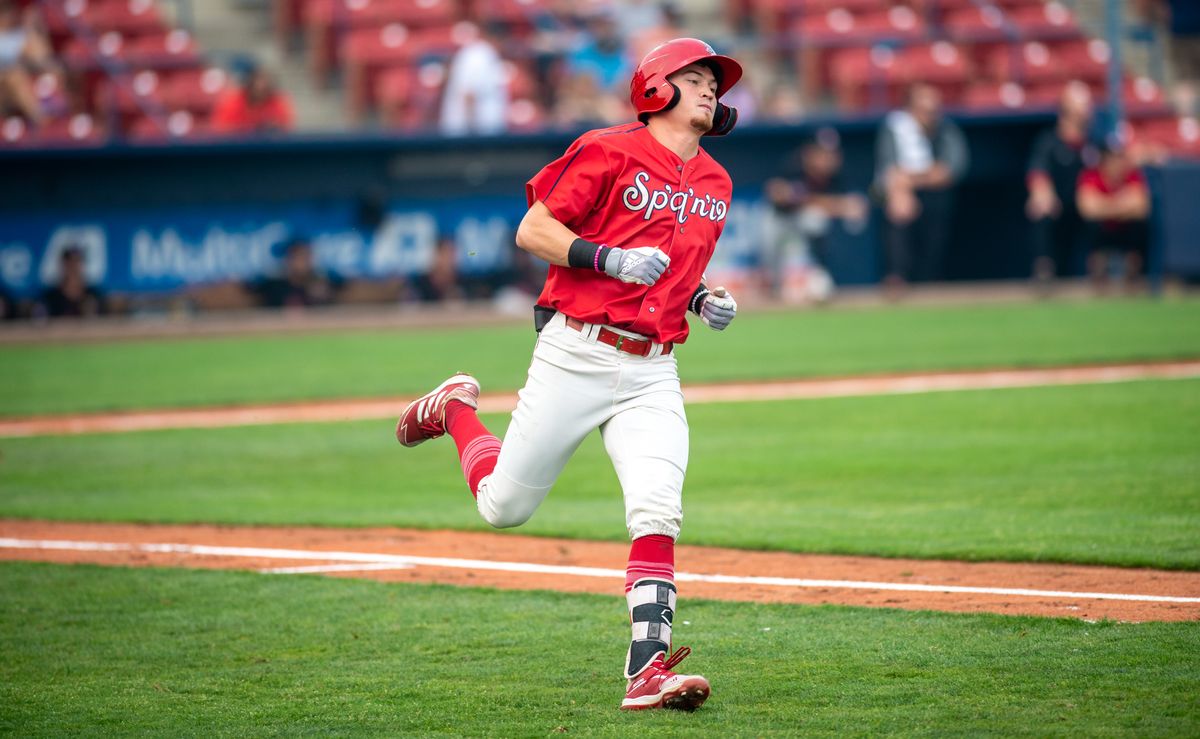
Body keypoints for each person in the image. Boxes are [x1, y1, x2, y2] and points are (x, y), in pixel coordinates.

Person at [394, 38, 742, 712]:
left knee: (658, 506)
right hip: (576, 351)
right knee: (504, 506)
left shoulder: (717, 182)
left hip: (652, 369)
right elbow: (533, 229)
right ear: (656, 88)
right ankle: (455, 406)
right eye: (696, 78)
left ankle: (647, 671)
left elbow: (678, 268)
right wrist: (607, 259)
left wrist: (703, 298)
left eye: (714, 84)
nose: (710, 90)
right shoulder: (607, 148)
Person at [875, 83, 969, 292]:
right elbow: (889, 171)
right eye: (923, 109)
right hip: (898, 193)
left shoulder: (947, 130)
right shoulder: (894, 128)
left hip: (934, 197)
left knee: (937, 214)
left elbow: (949, 171)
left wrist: (913, 179)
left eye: (933, 109)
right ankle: (896, 278)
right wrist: (902, 188)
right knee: (898, 205)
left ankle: (930, 282)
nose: (930, 114)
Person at [763, 127, 868, 302]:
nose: (827, 159)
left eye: (831, 154)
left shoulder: (837, 175)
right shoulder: (794, 165)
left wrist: (820, 202)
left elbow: (856, 204)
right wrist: (833, 204)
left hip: (803, 223)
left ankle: (818, 274)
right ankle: (773, 287)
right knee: (770, 238)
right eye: (821, 153)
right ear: (809, 153)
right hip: (780, 220)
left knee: (815, 219)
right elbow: (774, 191)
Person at [1026, 81, 1097, 287]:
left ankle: (1101, 270)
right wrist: (1043, 194)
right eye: (1082, 105)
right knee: (1040, 209)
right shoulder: (1048, 141)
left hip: (1085, 207)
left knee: (1095, 210)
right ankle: (1044, 270)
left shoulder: (1094, 143)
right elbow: (1037, 175)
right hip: (1057, 205)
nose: (1088, 110)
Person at [1076, 134, 1152, 293]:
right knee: (1091, 225)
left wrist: (1104, 205)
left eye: (1119, 157)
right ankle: (1099, 273)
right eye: (1111, 158)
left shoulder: (1132, 175)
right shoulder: (1092, 175)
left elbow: (1142, 207)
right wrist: (1121, 204)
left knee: (1139, 224)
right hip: (1103, 231)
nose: (1115, 163)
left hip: (1125, 229)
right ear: (1103, 160)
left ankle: (1132, 274)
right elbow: (1087, 209)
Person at [439, 23, 510, 137]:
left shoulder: (481, 53)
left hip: (478, 134)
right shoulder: (480, 55)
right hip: (471, 135)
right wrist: (472, 136)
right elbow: (469, 94)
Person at [0, 0, 56, 126]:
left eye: (9, 9)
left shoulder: (22, 34)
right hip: (3, 85)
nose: (8, 15)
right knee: (14, 76)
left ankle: (53, 86)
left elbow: (39, 53)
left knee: (35, 45)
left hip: (24, 76)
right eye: (3, 11)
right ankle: (45, 123)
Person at [248, 237, 340, 308]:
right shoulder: (273, 285)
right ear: (288, 259)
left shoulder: (322, 283)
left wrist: (327, 296)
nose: (302, 262)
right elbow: (254, 303)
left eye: (305, 257)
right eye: (297, 256)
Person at [211, 62, 295, 135]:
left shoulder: (277, 101)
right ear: (249, 82)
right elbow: (223, 130)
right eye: (258, 81)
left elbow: (285, 128)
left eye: (265, 82)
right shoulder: (233, 101)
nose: (261, 86)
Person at [37, 246, 106, 318]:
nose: (73, 267)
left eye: (77, 262)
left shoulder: (94, 296)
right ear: (63, 266)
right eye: (70, 262)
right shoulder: (50, 299)